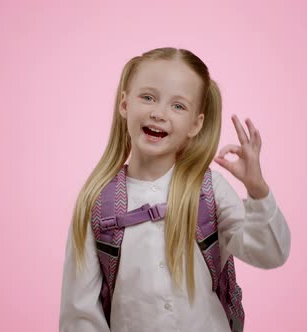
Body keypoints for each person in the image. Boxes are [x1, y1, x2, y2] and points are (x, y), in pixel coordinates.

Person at [59, 47, 291, 332]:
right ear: (124, 104)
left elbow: (269, 253)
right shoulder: (95, 203)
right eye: (148, 97)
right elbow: (79, 315)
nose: (158, 113)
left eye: (178, 105)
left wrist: (257, 189)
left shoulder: (209, 190)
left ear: (196, 124)